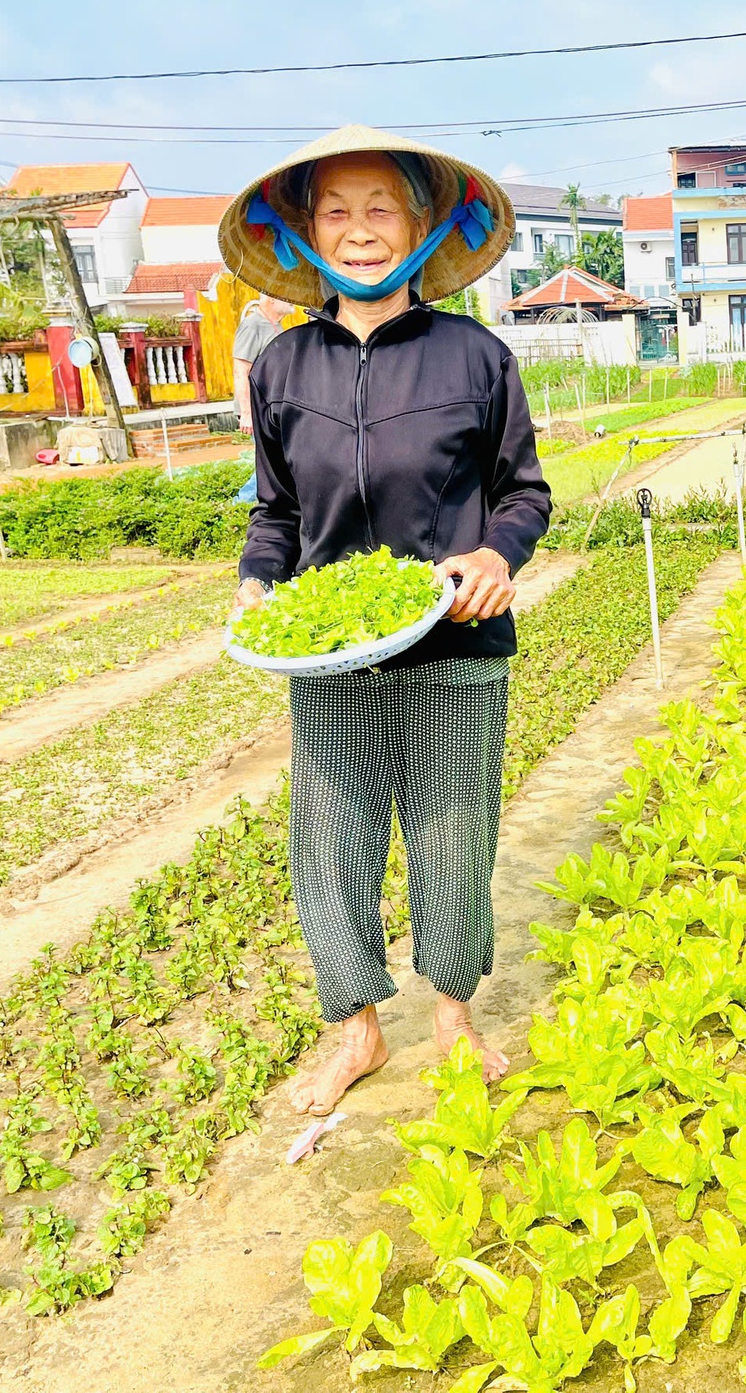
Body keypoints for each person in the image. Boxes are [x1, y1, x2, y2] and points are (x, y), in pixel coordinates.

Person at [219, 124, 545, 1112]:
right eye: (335, 211)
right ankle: (355, 1030)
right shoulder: (281, 367)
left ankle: (451, 1017)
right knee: (331, 841)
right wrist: (254, 582)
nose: (358, 231)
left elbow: (521, 493)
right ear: (304, 233)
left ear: (417, 224)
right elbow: (275, 512)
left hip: (455, 647)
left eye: (379, 209)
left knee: (452, 836)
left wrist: (495, 555)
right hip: (331, 659)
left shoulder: (472, 356)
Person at [232, 294, 289, 503]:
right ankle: (240, 503)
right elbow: (240, 370)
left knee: (280, 459)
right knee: (271, 461)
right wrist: (247, 414)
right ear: (272, 299)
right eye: (285, 296)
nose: (291, 300)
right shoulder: (252, 325)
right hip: (258, 409)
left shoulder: (277, 327)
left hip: (275, 409)